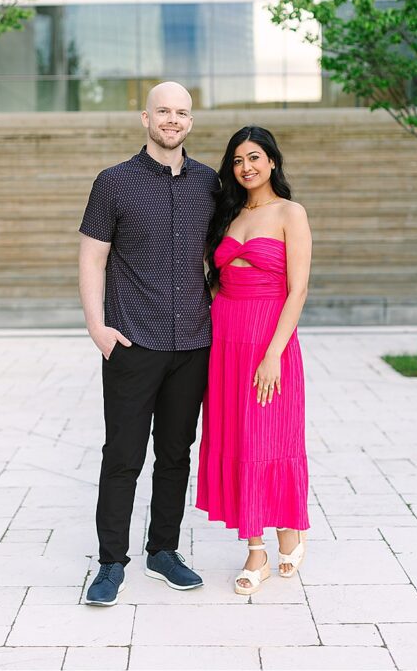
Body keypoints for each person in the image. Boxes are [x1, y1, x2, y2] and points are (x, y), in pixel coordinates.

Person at [79, 81, 219, 606]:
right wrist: (98, 328)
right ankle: (111, 563)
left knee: (176, 454)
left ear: (190, 121)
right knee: (122, 456)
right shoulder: (113, 182)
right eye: (164, 110)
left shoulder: (209, 182)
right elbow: (92, 258)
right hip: (133, 342)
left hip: (193, 346)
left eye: (181, 112)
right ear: (145, 117)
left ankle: (164, 551)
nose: (173, 120)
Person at [196, 126, 312, 595]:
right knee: (240, 440)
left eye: (255, 157)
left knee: (269, 438)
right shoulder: (228, 215)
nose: (246, 167)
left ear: (272, 162)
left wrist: (273, 355)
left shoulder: (290, 212)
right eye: (239, 160)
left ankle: (283, 532)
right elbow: (217, 281)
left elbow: (298, 288)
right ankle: (258, 548)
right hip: (226, 341)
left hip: (269, 341)